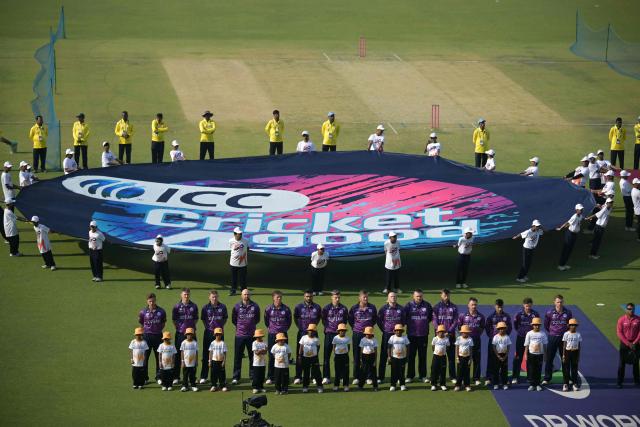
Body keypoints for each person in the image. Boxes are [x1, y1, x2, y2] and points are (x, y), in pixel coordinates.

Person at [231, 289, 260, 384]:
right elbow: (234, 320)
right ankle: (236, 377)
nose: (246, 296)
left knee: (252, 356)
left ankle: (252, 376)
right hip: (239, 335)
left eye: (248, 294)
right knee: (238, 357)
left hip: (251, 335)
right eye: (244, 294)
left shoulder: (255, 306)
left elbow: (257, 319)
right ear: (241, 295)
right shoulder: (236, 306)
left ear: (249, 295)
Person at [199, 290, 228, 384]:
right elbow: (203, 320)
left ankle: (220, 378)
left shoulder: (222, 307)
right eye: (213, 297)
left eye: (216, 297)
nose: (214, 299)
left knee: (220, 355)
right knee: (206, 354)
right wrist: (209, 328)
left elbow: (225, 319)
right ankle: (204, 376)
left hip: (219, 333)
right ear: (209, 297)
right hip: (208, 333)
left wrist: (219, 328)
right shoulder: (205, 308)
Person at [293, 290, 322, 384]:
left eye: (310, 296)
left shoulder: (317, 307)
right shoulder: (298, 307)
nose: (308, 298)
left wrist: (312, 329)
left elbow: (318, 318)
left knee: (314, 354)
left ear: (312, 297)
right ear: (304, 297)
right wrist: (301, 328)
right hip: (302, 333)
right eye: (307, 296)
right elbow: (295, 318)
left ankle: (313, 376)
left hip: (313, 333)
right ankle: (298, 376)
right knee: (300, 354)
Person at [349, 290, 377, 384]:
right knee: (357, 356)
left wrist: (368, 329)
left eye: (367, 297)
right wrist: (356, 328)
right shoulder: (354, 308)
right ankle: (356, 377)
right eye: (364, 297)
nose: (366, 299)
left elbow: (374, 320)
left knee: (369, 355)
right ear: (359, 298)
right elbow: (350, 320)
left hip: (368, 334)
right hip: (357, 334)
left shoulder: (372, 307)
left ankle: (369, 377)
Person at [404, 289, 433, 383]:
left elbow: (430, 318)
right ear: (413, 296)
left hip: (423, 335)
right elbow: (404, 317)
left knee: (422, 356)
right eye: (417, 296)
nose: (419, 298)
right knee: (411, 356)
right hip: (411, 335)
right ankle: (410, 376)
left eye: (420, 296)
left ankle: (423, 376)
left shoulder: (427, 305)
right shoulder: (408, 306)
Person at [543, 295, 573, 384]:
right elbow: (546, 325)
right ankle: (547, 378)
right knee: (549, 358)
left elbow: (570, 324)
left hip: (564, 338)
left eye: (561, 302)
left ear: (563, 302)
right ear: (554, 302)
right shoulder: (549, 312)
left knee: (565, 359)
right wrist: (553, 332)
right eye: (558, 302)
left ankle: (567, 378)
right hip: (552, 337)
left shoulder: (568, 312)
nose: (559, 304)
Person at [138, 293, 166, 385]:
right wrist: (147, 331)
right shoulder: (143, 312)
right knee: (145, 358)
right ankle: (145, 378)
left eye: (153, 301)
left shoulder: (161, 311)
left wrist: (157, 330)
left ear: (155, 300)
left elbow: (163, 323)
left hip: (158, 336)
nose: (152, 303)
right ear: (147, 301)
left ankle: (159, 377)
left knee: (159, 357)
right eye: (150, 301)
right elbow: (142, 323)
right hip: (146, 336)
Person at [377, 291, 405, 383]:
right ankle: (380, 377)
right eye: (391, 296)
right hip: (387, 334)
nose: (393, 298)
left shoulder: (401, 308)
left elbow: (404, 320)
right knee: (384, 355)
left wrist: (399, 330)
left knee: (397, 356)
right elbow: (379, 321)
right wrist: (384, 329)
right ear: (388, 298)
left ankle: (397, 377)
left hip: (398, 335)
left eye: (394, 296)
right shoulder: (383, 309)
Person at [321, 290, 349, 384]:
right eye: (335, 297)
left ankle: (340, 377)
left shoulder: (344, 308)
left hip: (339, 335)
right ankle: (326, 376)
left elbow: (345, 320)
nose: (337, 299)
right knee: (326, 356)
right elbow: (324, 320)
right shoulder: (326, 308)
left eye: (338, 297)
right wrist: (329, 328)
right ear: (331, 297)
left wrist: (340, 330)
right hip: (329, 334)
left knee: (340, 357)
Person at [264, 291, 292, 384]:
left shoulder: (286, 309)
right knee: (272, 355)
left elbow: (289, 321)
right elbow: (266, 321)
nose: (279, 299)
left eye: (280, 297)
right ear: (273, 298)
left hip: (283, 334)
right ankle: (271, 377)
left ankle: (284, 377)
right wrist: (272, 329)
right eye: (277, 297)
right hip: (272, 334)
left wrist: (283, 330)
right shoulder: (268, 309)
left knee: (284, 355)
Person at [172, 288, 199, 384]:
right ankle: (176, 377)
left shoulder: (194, 306)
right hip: (180, 333)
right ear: (181, 295)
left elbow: (196, 319)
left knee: (193, 354)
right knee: (178, 355)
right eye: (185, 294)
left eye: (188, 294)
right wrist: (180, 329)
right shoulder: (176, 306)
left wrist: (190, 329)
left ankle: (192, 377)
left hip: (192, 334)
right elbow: (174, 320)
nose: (186, 296)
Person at [458, 297, 486, 386]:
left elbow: (482, 328)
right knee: (463, 360)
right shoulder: (463, 316)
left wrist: (475, 336)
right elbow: (459, 327)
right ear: (468, 305)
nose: (474, 306)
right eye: (472, 305)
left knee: (476, 360)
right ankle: (462, 378)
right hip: (465, 342)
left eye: (475, 305)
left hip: (476, 340)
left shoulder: (481, 316)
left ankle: (476, 378)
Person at [433, 288, 459, 382]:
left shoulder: (454, 307)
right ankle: (440, 376)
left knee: (451, 357)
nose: (446, 297)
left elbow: (455, 321)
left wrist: (449, 332)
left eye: (448, 295)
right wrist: (440, 332)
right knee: (439, 356)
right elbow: (435, 321)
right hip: (439, 336)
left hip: (450, 335)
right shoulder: (436, 307)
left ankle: (453, 376)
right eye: (444, 295)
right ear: (441, 295)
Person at [512, 297, 539, 384]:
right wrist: (521, 332)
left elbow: (537, 326)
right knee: (518, 357)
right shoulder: (518, 314)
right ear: (523, 305)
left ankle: (529, 377)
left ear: (532, 305)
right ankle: (515, 376)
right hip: (521, 337)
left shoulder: (535, 314)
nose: (528, 308)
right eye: (526, 306)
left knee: (530, 358)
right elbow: (515, 325)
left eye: (529, 306)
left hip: (532, 339)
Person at [485, 299, 512, 386]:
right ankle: (489, 378)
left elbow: (510, 327)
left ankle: (504, 379)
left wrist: (504, 336)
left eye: (501, 307)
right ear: (495, 306)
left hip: (503, 341)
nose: (499, 309)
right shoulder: (491, 317)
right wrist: (492, 337)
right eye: (498, 307)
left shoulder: (506, 316)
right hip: (493, 341)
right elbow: (487, 328)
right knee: (491, 359)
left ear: (503, 306)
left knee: (503, 360)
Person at [616, 303, 639, 388]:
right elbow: (619, 333)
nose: (631, 310)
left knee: (636, 363)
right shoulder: (621, 319)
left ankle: (637, 381)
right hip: (624, 344)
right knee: (621, 363)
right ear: (626, 309)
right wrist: (627, 343)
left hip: (635, 343)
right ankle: (619, 382)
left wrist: (635, 342)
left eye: (632, 309)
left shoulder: (638, 319)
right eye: (629, 309)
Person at [556, 204, 584, 271]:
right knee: (566, 249)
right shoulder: (574, 217)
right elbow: (568, 222)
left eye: (582, 209)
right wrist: (560, 228)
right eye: (580, 209)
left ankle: (564, 264)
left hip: (574, 234)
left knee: (570, 250)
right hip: (570, 234)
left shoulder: (580, 216)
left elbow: (580, 220)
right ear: (576, 210)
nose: (581, 210)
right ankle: (560, 265)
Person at [298, 323, 323, 393]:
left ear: (315, 332)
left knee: (317, 372)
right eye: (310, 330)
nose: (311, 332)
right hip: (305, 357)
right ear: (307, 331)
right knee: (306, 372)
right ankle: (305, 386)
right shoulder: (304, 338)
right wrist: (299, 356)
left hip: (314, 358)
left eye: (312, 331)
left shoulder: (316, 339)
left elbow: (318, 347)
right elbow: (301, 347)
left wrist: (315, 354)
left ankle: (319, 386)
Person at [525, 317, 547, 391]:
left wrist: (545, 355)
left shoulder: (542, 334)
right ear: (532, 325)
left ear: (540, 325)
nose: (536, 326)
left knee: (538, 369)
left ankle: (537, 384)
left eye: (538, 325)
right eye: (535, 325)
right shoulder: (529, 333)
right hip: (531, 354)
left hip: (540, 355)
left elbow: (544, 345)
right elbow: (527, 344)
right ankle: (532, 384)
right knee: (531, 369)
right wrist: (525, 354)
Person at [387, 324, 409, 391]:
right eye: (397, 330)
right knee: (394, 372)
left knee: (402, 372)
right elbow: (389, 347)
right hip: (394, 357)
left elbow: (408, 347)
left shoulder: (405, 338)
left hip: (402, 357)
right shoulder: (392, 337)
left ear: (402, 331)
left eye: (400, 330)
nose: (398, 332)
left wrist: (407, 356)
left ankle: (402, 385)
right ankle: (393, 385)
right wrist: (389, 356)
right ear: (395, 331)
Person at [561, 318, 582, 392]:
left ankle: (574, 383)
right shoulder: (566, 334)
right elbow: (564, 345)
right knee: (566, 369)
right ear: (569, 326)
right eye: (571, 325)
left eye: (574, 325)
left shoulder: (578, 334)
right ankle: (565, 384)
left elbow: (579, 346)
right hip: (567, 352)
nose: (573, 326)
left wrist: (578, 356)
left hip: (575, 352)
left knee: (574, 368)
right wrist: (563, 355)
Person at [358, 326, 379, 391]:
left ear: (371, 334)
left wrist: (375, 360)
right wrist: (361, 359)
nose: (368, 335)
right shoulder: (362, 340)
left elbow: (375, 351)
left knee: (373, 372)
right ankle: (361, 386)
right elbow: (361, 350)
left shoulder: (374, 340)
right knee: (363, 371)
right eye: (366, 334)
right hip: (364, 356)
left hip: (372, 356)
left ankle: (375, 386)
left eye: (369, 334)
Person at [492, 322, 512, 390]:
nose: (501, 330)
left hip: (504, 355)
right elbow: (494, 347)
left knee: (504, 370)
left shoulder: (507, 337)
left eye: (503, 328)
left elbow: (508, 347)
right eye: (500, 329)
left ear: (505, 329)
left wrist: (506, 355)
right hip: (497, 355)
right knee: (496, 370)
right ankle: (496, 384)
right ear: (498, 329)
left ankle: (504, 384)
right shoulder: (495, 337)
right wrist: (498, 356)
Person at [229, 227, 248, 296]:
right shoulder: (231, 241)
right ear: (234, 234)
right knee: (234, 278)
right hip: (233, 263)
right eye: (238, 234)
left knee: (243, 279)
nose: (240, 235)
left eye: (240, 234)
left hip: (243, 263)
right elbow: (231, 248)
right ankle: (233, 291)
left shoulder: (245, 241)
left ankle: (244, 292)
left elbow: (247, 248)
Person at [332, 323, 351, 391]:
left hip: (345, 356)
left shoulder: (347, 338)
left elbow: (348, 347)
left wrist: (344, 352)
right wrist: (336, 353)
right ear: (338, 331)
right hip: (337, 356)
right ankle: (336, 385)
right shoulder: (335, 338)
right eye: (341, 330)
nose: (342, 331)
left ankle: (346, 385)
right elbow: (334, 346)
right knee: (337, 371)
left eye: (344, 330)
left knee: (346, 371)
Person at [208, 328, 228, 392]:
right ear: (215, 335)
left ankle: (222, 385)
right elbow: (211, 352)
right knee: (213, 373)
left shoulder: (223, 343)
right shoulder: (212, 343)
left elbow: (225, 353)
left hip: (221, 361)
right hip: (214, 361)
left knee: (222, 374)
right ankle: (214, 385)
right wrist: (210, 361)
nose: (218, 336)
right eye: (217, 334)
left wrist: (224, 361)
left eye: (219, 334)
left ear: (221, 335)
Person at [455, 325, 473, 392]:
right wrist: (457, 357)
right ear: (461, 332)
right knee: (459, 372)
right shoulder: (459, 338)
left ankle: (467, 385)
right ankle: (458, 385)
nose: (465, 333)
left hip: (467, 357)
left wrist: (470, 359)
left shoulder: (470, 339)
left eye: (467, 332)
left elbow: (471, 349)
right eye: (464, 332)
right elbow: (457, 348)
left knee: (467, 372)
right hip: (460, 357)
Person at [430, 325, 449, 391]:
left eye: (442, 332)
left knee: (442, 370)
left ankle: (442, 384)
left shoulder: (446, 339)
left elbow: (447, 347)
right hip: (436, 356)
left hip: (443, 357)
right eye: (440, 332)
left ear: (444, 332)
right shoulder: (435, 339)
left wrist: (442, 353)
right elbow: (433, 346)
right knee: (434, 370)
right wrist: (437, 352)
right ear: (437, 332)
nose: (441, 333)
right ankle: (433, 384)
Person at [179, 327, 199, 392]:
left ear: (193, 335)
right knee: (185, 375)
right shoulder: (183, 343)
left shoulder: (195, 343)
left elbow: (196, 352)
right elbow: (182, 352)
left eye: (190, 334)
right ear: (186, 335)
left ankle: (193, 385)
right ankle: (185, 386)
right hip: (185, 362)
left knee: (192, 375)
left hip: (193, 363)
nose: (189, 336)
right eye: (188, 334)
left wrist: (196, 361)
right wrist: (182, 361)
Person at [251, 329, 267, 394]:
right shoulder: (254, 343)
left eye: (260, 336)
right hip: (256, 363)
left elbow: (265, 351)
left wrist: (260, 351)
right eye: (257, 336)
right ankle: (255, 387)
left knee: (262, 375)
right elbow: (256, 352)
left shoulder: (265, 342)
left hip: (263, 362)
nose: (258, 337)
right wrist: (261, 350)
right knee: (256, 376)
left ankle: (261, 387)